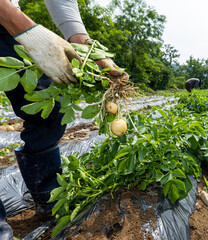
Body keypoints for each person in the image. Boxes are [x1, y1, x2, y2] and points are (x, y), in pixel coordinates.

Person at [0, 0, 123, 238]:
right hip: (10, 17)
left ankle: (49, 198)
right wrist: (24, 27)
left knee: (48, 109)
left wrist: (83, 42)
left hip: (7, 21)